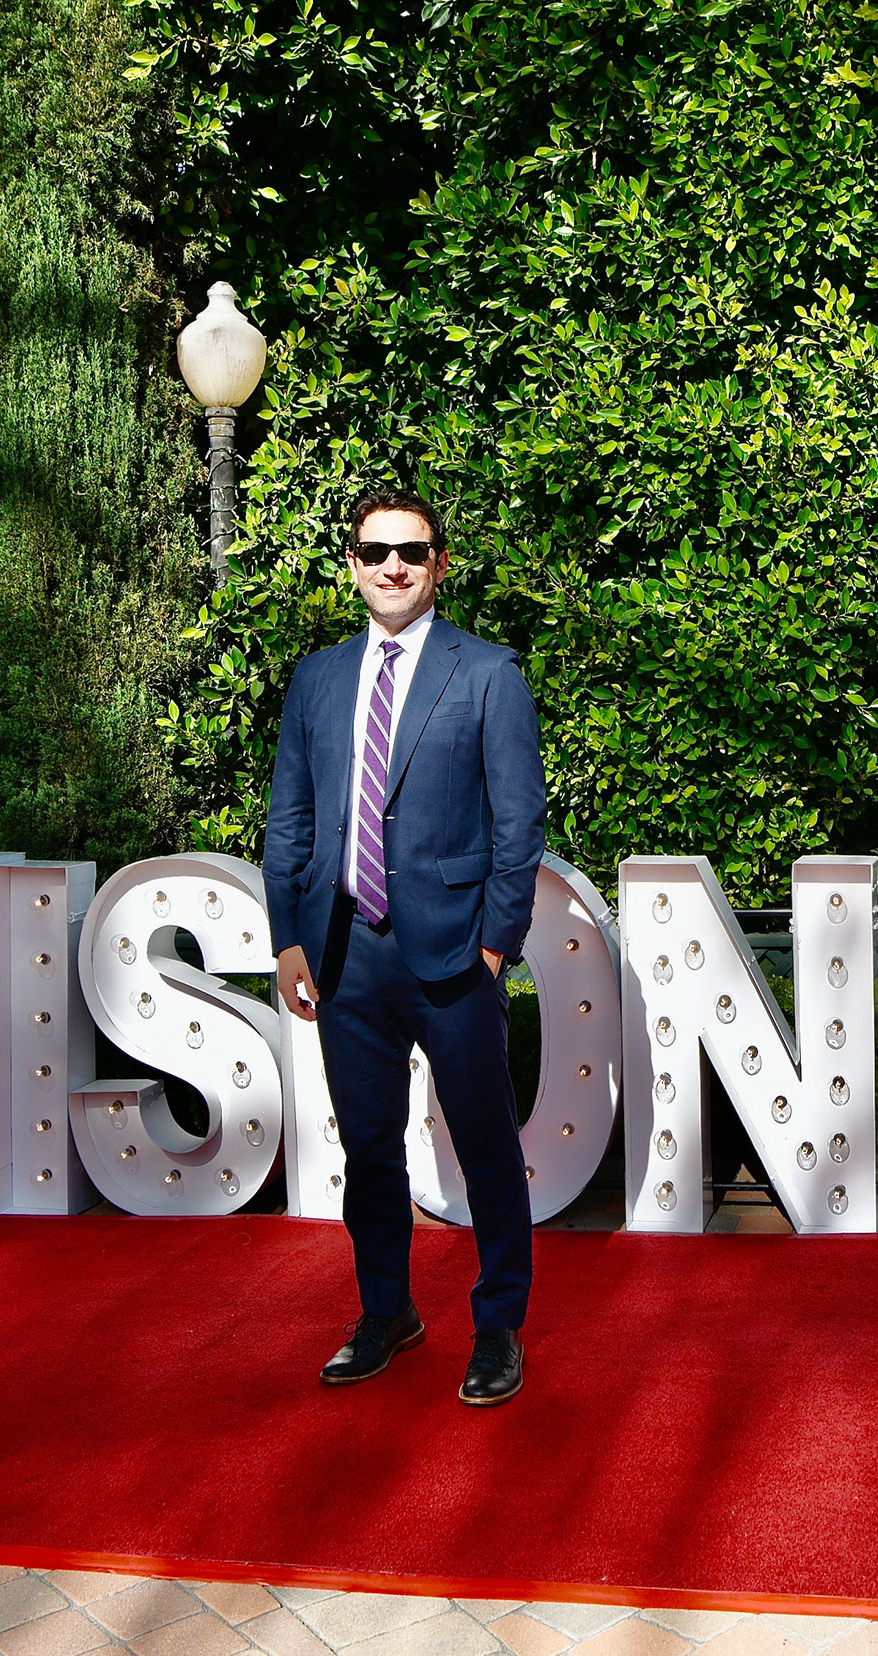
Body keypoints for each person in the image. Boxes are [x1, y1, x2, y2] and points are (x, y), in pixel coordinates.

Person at [263, 487, 547, 1405]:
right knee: (371, 1150)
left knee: (487, 1146)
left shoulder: (489, 673)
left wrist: (495, 945)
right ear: (352, 564)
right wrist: (287, 937)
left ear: (439, 565)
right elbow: (291, 817)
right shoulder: (316, 679)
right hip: (344, 952)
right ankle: (387, 1310)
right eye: (376, 550)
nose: (394, 566)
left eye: (412, 552)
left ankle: (498, 1325)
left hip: (455, 956)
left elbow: (520, 827)